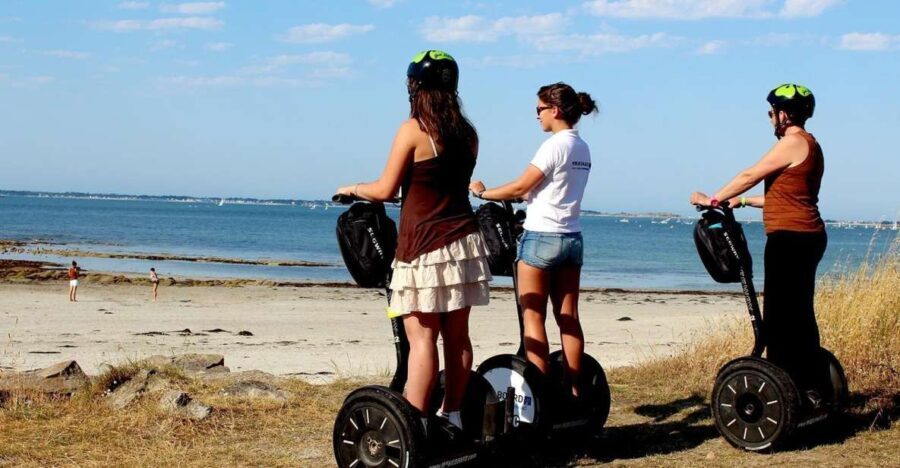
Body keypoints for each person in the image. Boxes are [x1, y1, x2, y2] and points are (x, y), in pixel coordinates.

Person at [336, 50, 491, 430]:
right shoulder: (468, 135)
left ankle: (415, 426)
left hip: (423, 246)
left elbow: (387, 188)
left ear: (415, 87)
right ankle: (452, 416)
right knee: (458, 338)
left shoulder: (413, 129)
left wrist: (352, 188)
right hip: (466, 243)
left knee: (421, 341)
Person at [689, 83, 828, 402]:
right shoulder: (811, 145)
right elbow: (790, 197)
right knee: (799, 312)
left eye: (771, 113)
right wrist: (742, 202)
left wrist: (713, 198)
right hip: (807, 234)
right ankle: (810, 385)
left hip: (790, 239)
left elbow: (750, 173)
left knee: (780, 316)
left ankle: (787, 390)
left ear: (784, 114)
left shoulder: (792, 142)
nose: (769, 119)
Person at [469, 82, 597, 398]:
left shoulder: (554, 145)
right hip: (572, 238)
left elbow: (518, 187)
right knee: (569, 318)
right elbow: (546, 188)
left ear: (554, 110)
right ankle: (576, 391)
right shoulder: (582, 147)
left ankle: (540, 397)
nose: (536, 116)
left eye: (539, 110)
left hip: (542, 238)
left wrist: (482, 193)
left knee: (533, 316)